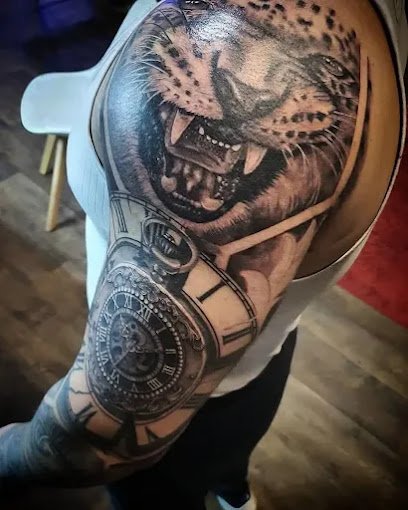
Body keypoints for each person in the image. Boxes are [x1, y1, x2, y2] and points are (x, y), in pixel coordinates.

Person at [0, 1, 406, 509]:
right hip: (260, 364)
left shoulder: (244, 25)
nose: (249, 90)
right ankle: (236, 492)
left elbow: (98, 439)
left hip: (174, 425)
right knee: (231, 461)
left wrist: (7, 454)